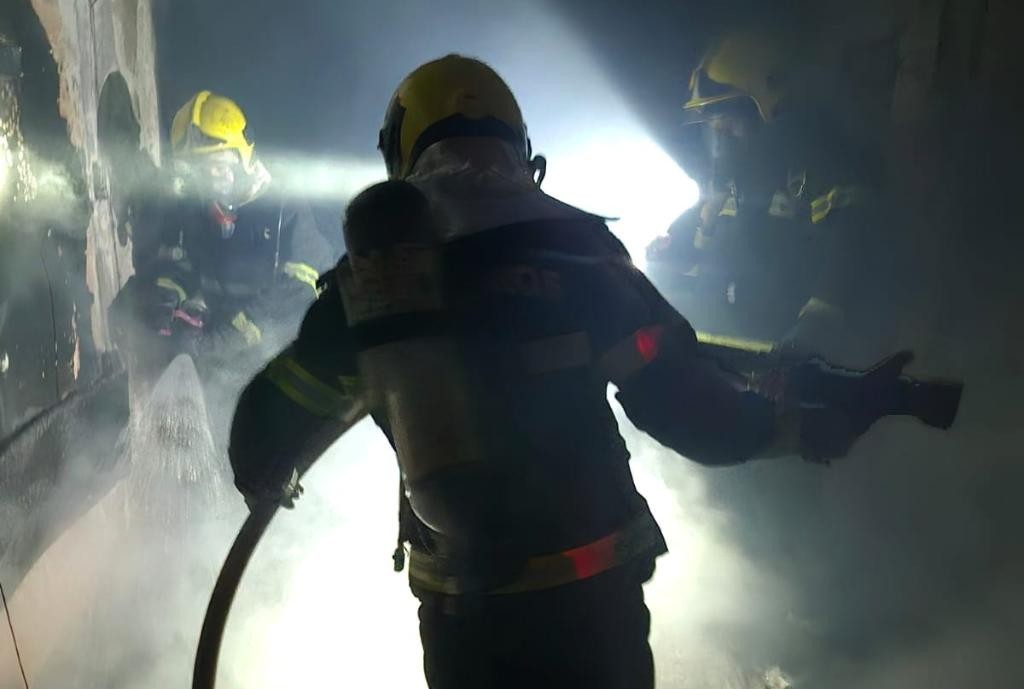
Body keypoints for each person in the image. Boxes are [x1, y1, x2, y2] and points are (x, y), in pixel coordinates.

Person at [227, 55, 911, 689]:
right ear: (519, 145)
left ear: (402, 149)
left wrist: (266, 466)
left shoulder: (371, 287)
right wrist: (804, 429)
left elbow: (267, 420)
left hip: (464, 615)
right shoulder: (579, 254)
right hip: (592, 602)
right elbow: (691, 409)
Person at [646, 31, 889, 351]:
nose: (720, 130)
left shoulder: (818, 166)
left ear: (765, 105)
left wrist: (817, 322)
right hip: (721, 344)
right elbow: (705, 225)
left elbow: (852, 241)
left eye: (728, 118)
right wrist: (672, 250)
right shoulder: (733, 177)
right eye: (713, 119)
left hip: (780, 354)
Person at [110, 90, 335, 436]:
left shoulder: (281, 207)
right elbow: (182, 260)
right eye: (199, 168)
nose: (211, 178)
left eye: (218, 166)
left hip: (273, 353)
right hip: (216, 329)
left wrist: (222, 340)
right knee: (129, 305)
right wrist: (167, 296)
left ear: (243, 156)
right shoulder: (198, 208)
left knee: (240, 433)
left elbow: (297, 294)